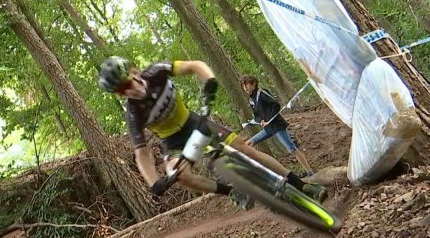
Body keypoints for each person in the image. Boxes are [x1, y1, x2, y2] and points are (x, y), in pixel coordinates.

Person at [97, 57, 326, 209]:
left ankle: (302, 185)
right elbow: (142, 153)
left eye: (125, 84)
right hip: (174, 142)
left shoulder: (156, 72)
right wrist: (153, 181)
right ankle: (231, 192)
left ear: (133, 73)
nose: (126, 92)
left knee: (246, 150)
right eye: (119, 91)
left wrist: (209, 82)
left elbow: (195, 65)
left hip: (195, 123)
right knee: (180, 175)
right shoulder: (133, 113)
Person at [240, 75, 314, 177]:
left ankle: (310, 172)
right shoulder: (251, 100)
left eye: (247, 84)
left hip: (277, 126)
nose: (245, 87)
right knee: (248, 143)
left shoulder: (262, 93)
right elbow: (256, 115)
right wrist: (260, 120)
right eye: (243, 85)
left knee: (292, 149)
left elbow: (276, 105)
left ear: (253, 84)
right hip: (267, 129)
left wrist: (269, 120)